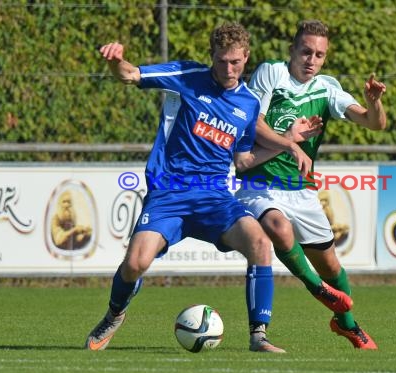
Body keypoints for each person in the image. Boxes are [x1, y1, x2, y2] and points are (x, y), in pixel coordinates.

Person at [85, 22, 314, 353]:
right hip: (169, 192)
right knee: (135, 264)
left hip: (215, 198)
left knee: (260, 243)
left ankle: (258, 336)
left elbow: (244, 160)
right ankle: (113, 315)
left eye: (235, 62)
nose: (228, 68)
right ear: (212, 57)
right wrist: (114, 60)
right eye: (221, 61)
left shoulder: (248, 104)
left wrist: (288, 143)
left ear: (246, 58)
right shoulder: (187, 75)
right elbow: (130, 74)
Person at [235, 19, 387, 350]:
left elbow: (374, 124)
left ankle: (347, 325)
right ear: (292, 50)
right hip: (258, 184)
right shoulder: (272, 73)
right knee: (277, 226)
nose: (311, 60)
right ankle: (316, 287)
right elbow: (253, 122)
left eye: (319, 54)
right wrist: (289, 142)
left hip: (301, 191)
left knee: (332, 265)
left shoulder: (326, 88)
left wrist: (374, 101)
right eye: (305, 51)